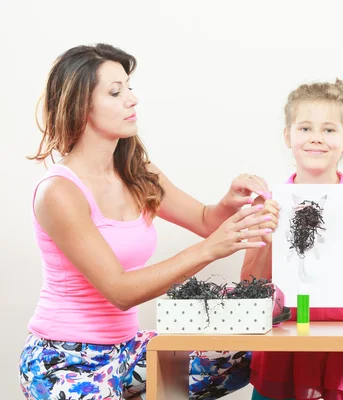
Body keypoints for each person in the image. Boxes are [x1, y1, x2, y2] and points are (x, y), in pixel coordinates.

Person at [19, 43, 273, 400]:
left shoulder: (139, 173)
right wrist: (209, 250)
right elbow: (121, 292)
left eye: (129, 87)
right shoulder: (59, 192)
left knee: (242, 356)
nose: (132, 99)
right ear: (80, 106)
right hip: (66, 358)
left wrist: (229, 204)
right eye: (115, 91)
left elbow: (205, 220)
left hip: (129, 350)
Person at [241, 79, 343, 400]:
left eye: (329, 130)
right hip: (284, 346)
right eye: (305, 128)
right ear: (288, 135)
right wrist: (269, 238)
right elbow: (246, 287)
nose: (316, 139)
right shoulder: (267, 204)